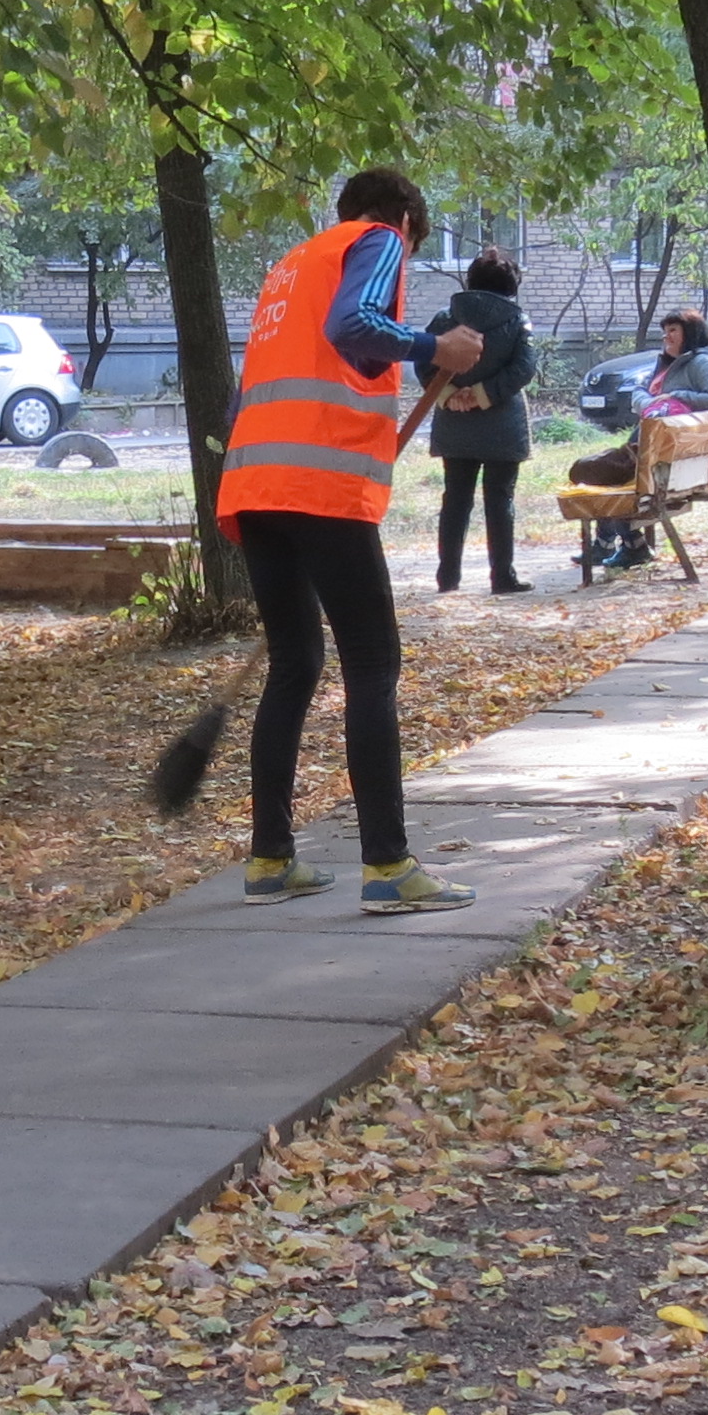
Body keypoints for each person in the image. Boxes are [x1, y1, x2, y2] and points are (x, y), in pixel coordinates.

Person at [216, 168, 488, 914]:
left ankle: (270, 857)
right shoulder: (378, 239)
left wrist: (424, 357)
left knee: (295, 665)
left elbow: (327, 355)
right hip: (319, 484)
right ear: (403, 215)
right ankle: (388, 866)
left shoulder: (292, 266)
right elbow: (356, 328)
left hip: (255, 485)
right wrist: (435, 343)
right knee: (372, 662)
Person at [425, 249, 537, 594]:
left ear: (470, 281)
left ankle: (448, 577)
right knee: (500, 499)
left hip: (454, 423)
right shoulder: (517, 322)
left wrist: (451, 394)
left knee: (455, 498)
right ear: (511, 286)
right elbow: (524, 368)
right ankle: (502, 576)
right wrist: (482, 394)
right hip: (503, 423)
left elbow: (424, 360)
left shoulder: (445, 319)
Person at [581, 309, 708, 573]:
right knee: (603, 470)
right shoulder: (668, 362)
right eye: (665, 330)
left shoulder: (703, 363)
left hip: (666, 461)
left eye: (673, 330)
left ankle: (629, 544)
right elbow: (642, 391)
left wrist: (677, 397)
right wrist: (650, 402)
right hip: (652, 451)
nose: (666, 336)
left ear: (690, 334)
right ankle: (610, 543)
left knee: (604, 473)